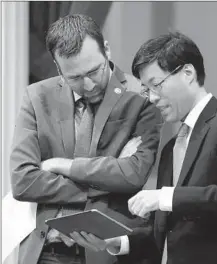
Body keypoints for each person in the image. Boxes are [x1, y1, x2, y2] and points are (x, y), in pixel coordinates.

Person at [70, 31, 217, 264]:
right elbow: (166, 233)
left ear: (188, 73)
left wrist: (165, 196)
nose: (151, 98)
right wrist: (118, 241)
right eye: (145, 89)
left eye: (156, 85)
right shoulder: (171, 147)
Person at [10, 14, 161, 264]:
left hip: (105, 253)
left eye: (94, 71)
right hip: (44, 252)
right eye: (75, 78)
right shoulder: (37, 97)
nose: (89, 85)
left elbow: (134, 175)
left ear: (107, 51)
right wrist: (109, 178)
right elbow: (23, 181)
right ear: (59, 70)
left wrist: (63, 166)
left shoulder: (141, 98)